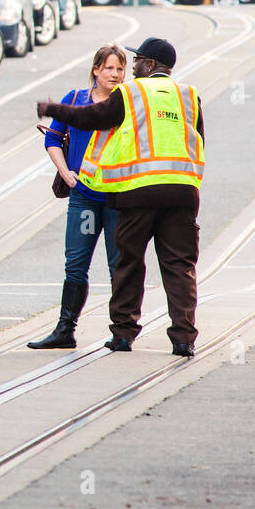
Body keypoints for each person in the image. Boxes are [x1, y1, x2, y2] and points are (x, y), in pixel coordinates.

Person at [36, 37, 204, 357]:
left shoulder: (130, 93)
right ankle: (183, 338)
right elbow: (199, 142)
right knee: (179, 267)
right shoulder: (189, 95)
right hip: (182, 193)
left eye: (136, 60)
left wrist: (51, 109)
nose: (130, 68)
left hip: (137, 193)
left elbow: (92, 118)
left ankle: (123, 334)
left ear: (150, 65)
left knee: (128, 263)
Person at [28, 45, 127, 349]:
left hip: (116, 198)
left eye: (120, 69)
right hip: (83, 197)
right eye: (109, 68)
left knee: (118, 266)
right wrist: (65, 171)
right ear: (96, 70)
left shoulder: (129, 101)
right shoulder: (75, 99)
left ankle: (122, 332)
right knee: (76, 264)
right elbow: (54, 137)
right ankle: (65, 330)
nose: (115, 74)